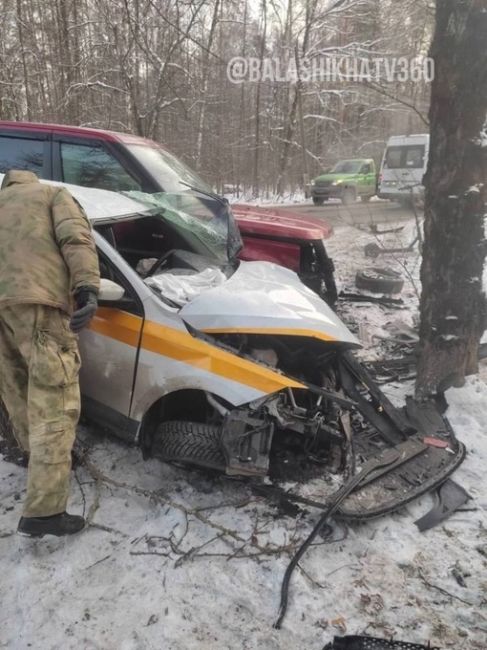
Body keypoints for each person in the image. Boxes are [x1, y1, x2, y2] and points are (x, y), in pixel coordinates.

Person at [0, 169, 100, 538]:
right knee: (55, 401)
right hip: (40, 307)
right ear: (32, 179)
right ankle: (45, 512)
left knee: (18, 393)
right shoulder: (52, 195)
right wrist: (88, 287)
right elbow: (76, 239)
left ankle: (39, 464)